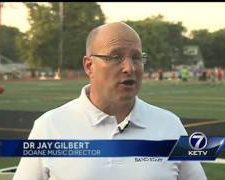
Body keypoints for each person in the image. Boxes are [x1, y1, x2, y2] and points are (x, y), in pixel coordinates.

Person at [13, 22, 207, 180]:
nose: (129, 67)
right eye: (116, 57)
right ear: (89, 66)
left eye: (137, 57)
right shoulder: (49, 127)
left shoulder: (170, 125)